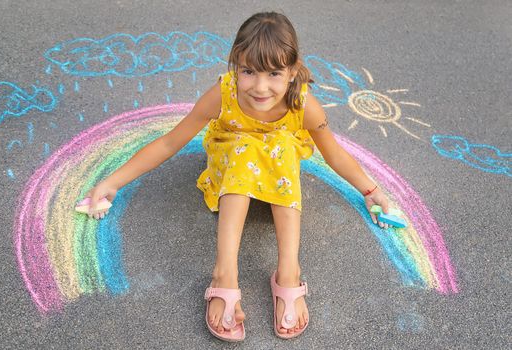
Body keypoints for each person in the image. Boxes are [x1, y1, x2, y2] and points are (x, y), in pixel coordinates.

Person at [84, 11, 391, 341]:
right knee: (247, 148)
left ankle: (289, 271)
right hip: (230, 172)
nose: (260, 87)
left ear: (293, 71)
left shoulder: (303, 103)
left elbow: (334, 153)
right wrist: (112, 182)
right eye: (248, 72)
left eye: (274, 73)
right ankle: (224, 274)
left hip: (278, 176)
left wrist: (370, 189)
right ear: (234, 65)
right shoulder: (224, 93)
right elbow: (171, 141)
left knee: (282, 147)